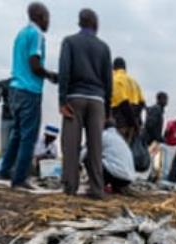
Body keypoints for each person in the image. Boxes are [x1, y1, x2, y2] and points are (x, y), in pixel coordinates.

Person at [0, 2, 58, 190]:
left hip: (15, 89)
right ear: (41, 16)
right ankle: (19, 179)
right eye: (48, 17)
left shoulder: (21, 34)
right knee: (28, 137)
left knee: (17, 134)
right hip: (29, 90)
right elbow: (34, 64)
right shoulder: (36, 35)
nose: (49, 22)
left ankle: (5, 169)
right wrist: (51, 76)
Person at [58, 8, 112, 199]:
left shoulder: (70, 42)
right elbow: (108, 80)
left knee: (71, 145)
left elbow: (64, 71)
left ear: (79, 23)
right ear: (95, 25)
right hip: (98, 100)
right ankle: (97, 189)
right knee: (96, 146)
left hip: (75, 98)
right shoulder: (104, 47)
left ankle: (70, 187)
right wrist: (108, 110)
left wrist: (62, 100)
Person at [95, 120, 136, 194]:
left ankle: (97, 186)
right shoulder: (120, 138)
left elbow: (87, 152)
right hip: (129, 179)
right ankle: (117, 187)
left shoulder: (103, 135)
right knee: (110, 161)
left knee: (93, 160)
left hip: (117, 177)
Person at [111, 57, 145, 143]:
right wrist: (135, 123)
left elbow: (123, 103)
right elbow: (142, 103)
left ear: (113, 67)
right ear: (125, 68)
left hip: (120, 123)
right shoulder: (134, 82)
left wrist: (131, 122)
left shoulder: (115, 80)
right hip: (132, 127)